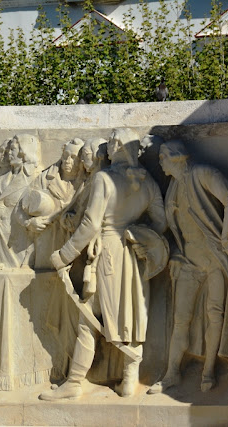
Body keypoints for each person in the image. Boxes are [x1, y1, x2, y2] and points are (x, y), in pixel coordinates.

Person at [41, 128, 166, 400]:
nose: (107, 149)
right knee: (132, 315)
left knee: (89, 317)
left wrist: (64, 255)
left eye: (110, 144)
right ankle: (129, 380)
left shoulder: (104, 179)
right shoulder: (148, 183)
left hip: (108, 253)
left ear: (118, 147)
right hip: (133, 255)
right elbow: (161, 221)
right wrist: (139, 234)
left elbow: (90, 224)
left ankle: (74, 381)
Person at [148, 141, 228, 394]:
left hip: (214, 257)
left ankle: (209, 370)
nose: (160, 162)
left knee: (215, 314)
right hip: (188, 259)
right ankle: (171, 373)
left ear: (177, 158)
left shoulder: (203, 173)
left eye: (163, 157)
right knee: (180, 320)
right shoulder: (173, 186)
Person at [19, 138, 85, 269]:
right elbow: (20, 208)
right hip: (47, 244)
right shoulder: (45, 178)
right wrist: (29, 223)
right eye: (65, 156)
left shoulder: (87, 181)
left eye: (73, 157)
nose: (67, 161)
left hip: (75, 248)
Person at [0, 134, 40, 268]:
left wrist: (3, 212)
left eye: (13, 149)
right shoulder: (2, 179)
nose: (9, 153)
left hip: (18, 243)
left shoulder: (34, 178)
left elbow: (37, 210)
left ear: (24, 151)